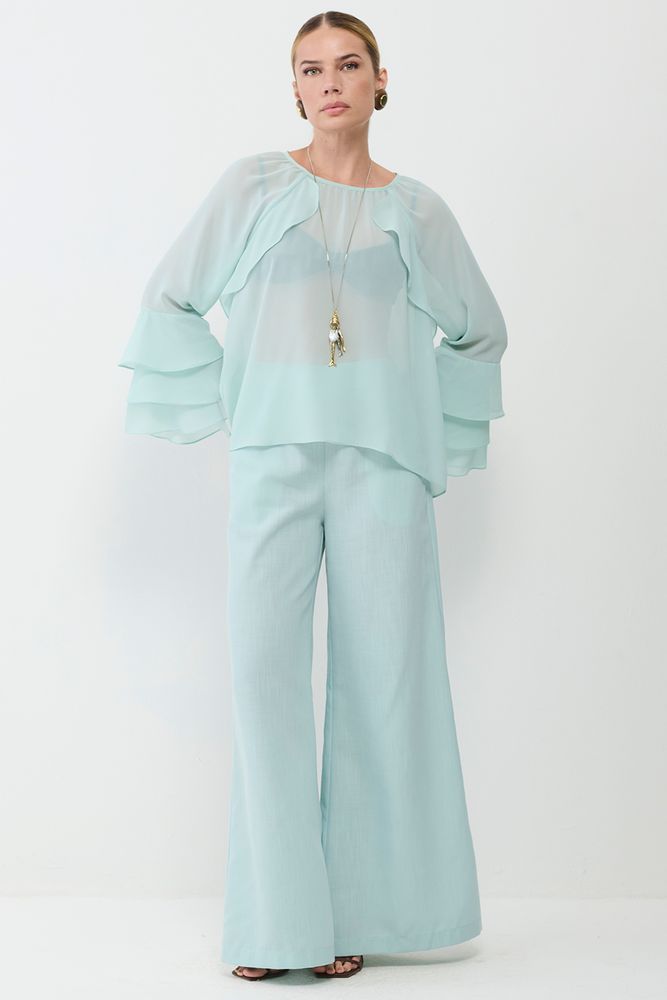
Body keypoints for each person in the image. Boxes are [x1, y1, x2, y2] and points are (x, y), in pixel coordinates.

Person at [117, 10, 508, 983]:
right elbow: (171, 297)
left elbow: (479, 329)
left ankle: (353, 918)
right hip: (274, 461)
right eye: (310, 68)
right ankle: (274, 925)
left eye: (347, 64)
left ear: (381, 81)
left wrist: (420, 422)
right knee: (264, 682)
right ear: (293, 89)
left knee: (383, 683)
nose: (329, 81)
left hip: (382, 470)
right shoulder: (252, 187)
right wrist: (240, 398)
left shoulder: (418, 212)